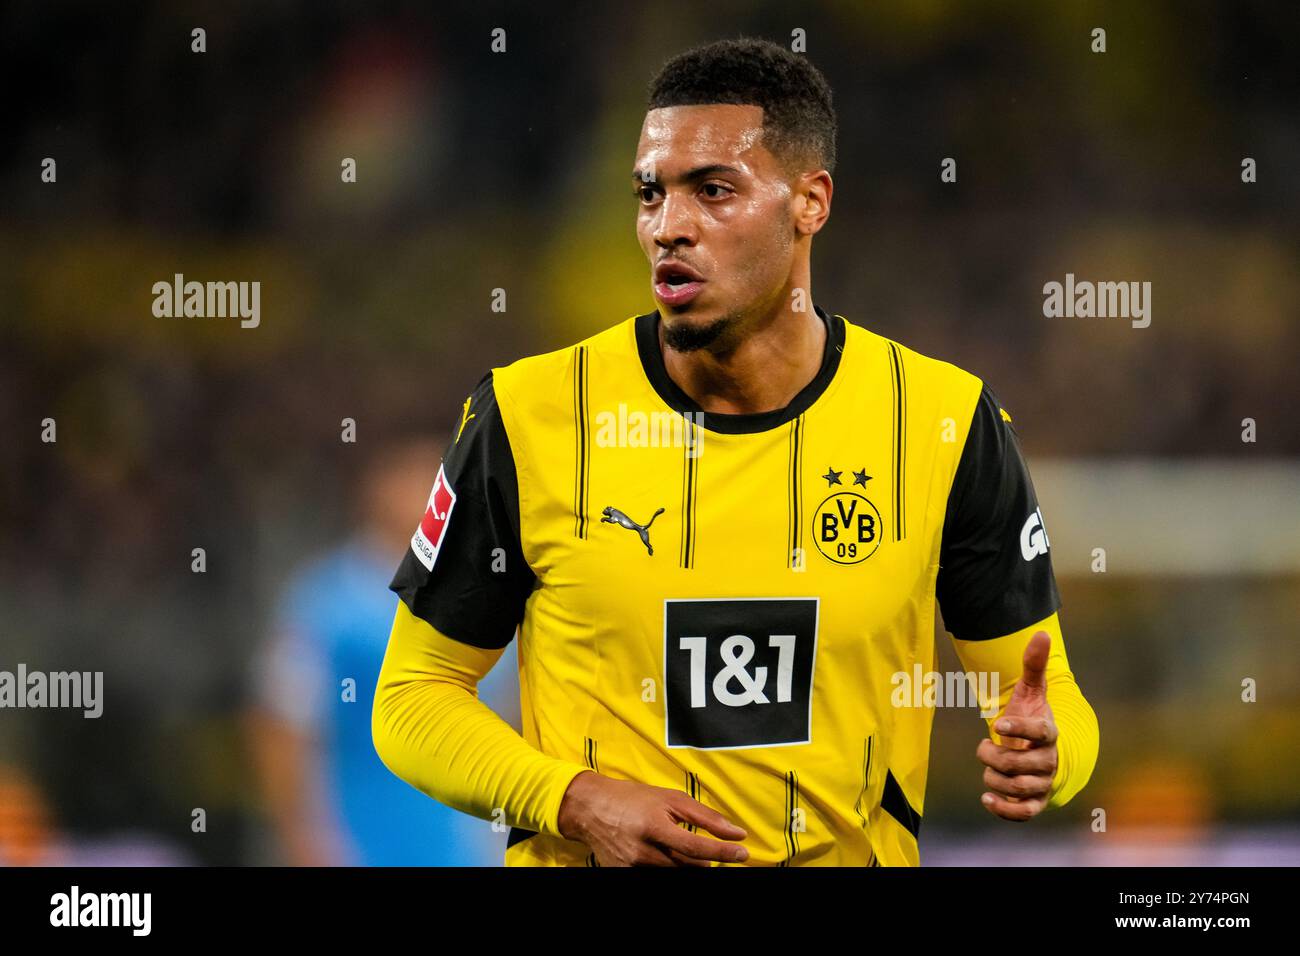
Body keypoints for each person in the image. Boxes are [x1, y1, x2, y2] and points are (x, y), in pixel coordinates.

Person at [373, 36, 1098, 866]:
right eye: (650, 193)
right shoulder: (529, 415)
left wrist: (1052, 758)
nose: (668, 227)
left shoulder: (941, 422)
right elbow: (412, 698)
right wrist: (574, 801)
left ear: (810, 202)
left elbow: (1049, 702)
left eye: (713, 191)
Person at [248, 436, 520, 865]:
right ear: (375, 486)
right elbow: (281, 727)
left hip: (472, 848)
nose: (429, 487)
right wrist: (300, 838)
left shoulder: (487, 589)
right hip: (359, 845)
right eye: (411, 475)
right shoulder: (326, 601)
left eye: (438, 475)